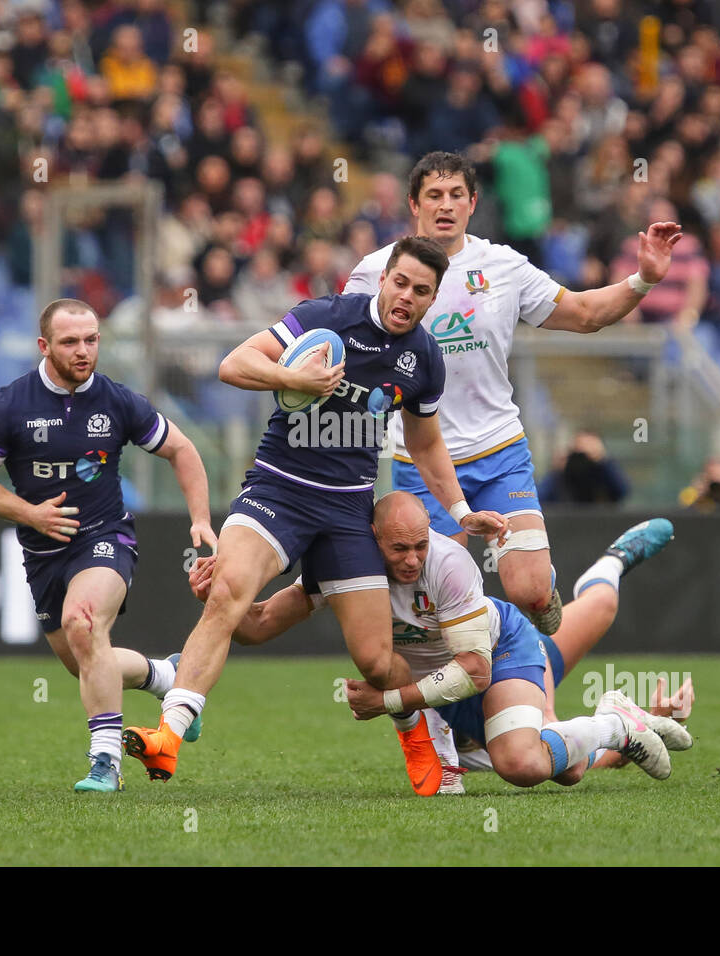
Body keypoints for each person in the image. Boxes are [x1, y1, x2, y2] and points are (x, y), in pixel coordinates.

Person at [121, 236, 509, 783]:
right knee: (229, 596)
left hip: (349, 511)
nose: (407, 296)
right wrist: (290, 378)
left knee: (376, 661)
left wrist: (461, 509)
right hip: (278, 491)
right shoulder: (326, 316)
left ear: (432, 298)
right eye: (400, 282)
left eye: (421, 290)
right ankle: (170, 734)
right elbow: (235, 364)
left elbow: (425, 445)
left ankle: (421, 728)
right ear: (383, 279)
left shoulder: (423, 356)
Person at [344, 151, 682, 639]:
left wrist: (644, 278)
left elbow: (584, 313)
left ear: (473, 203)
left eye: (456, 195)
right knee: (431, 616)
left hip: (499, 451)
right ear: (414, 205)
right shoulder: (378, 271)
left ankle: (537, 626)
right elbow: (348, 341)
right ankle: (473, 687)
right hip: (419, 463)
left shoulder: (502, 265)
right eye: (434, 195)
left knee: (529, 591)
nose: (446, 205)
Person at [188, 492, 690, 794]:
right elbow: (255, 627)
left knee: (522, 760)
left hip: (502, 655)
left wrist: (385, 702)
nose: (412, 559)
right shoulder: (347, 570)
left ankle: (614, 565)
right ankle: (619, 722)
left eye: (420, 545)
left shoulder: (448, 562)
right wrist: (222, 595)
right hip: (447, 692)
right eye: (399, 548)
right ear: (371, 539)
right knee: (569, 769)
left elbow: (474, 670)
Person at [0, 298, 218, 792]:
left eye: (91, 340)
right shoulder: (11, 404)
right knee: (87, 660)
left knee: (83, 622)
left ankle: (106, 763)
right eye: (70, 342)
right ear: (44, 346)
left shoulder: (118, 401)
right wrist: (29, 513)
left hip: (105, 537)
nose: (83, 351)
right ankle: (167, 676)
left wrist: (201, 518)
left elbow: (181, 449)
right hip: (42, 555)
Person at [536, 429, 630, 505]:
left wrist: (604, 462)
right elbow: (540, 497)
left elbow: (622, 491)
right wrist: (557, 469)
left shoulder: (603, 471)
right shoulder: (561, 475)